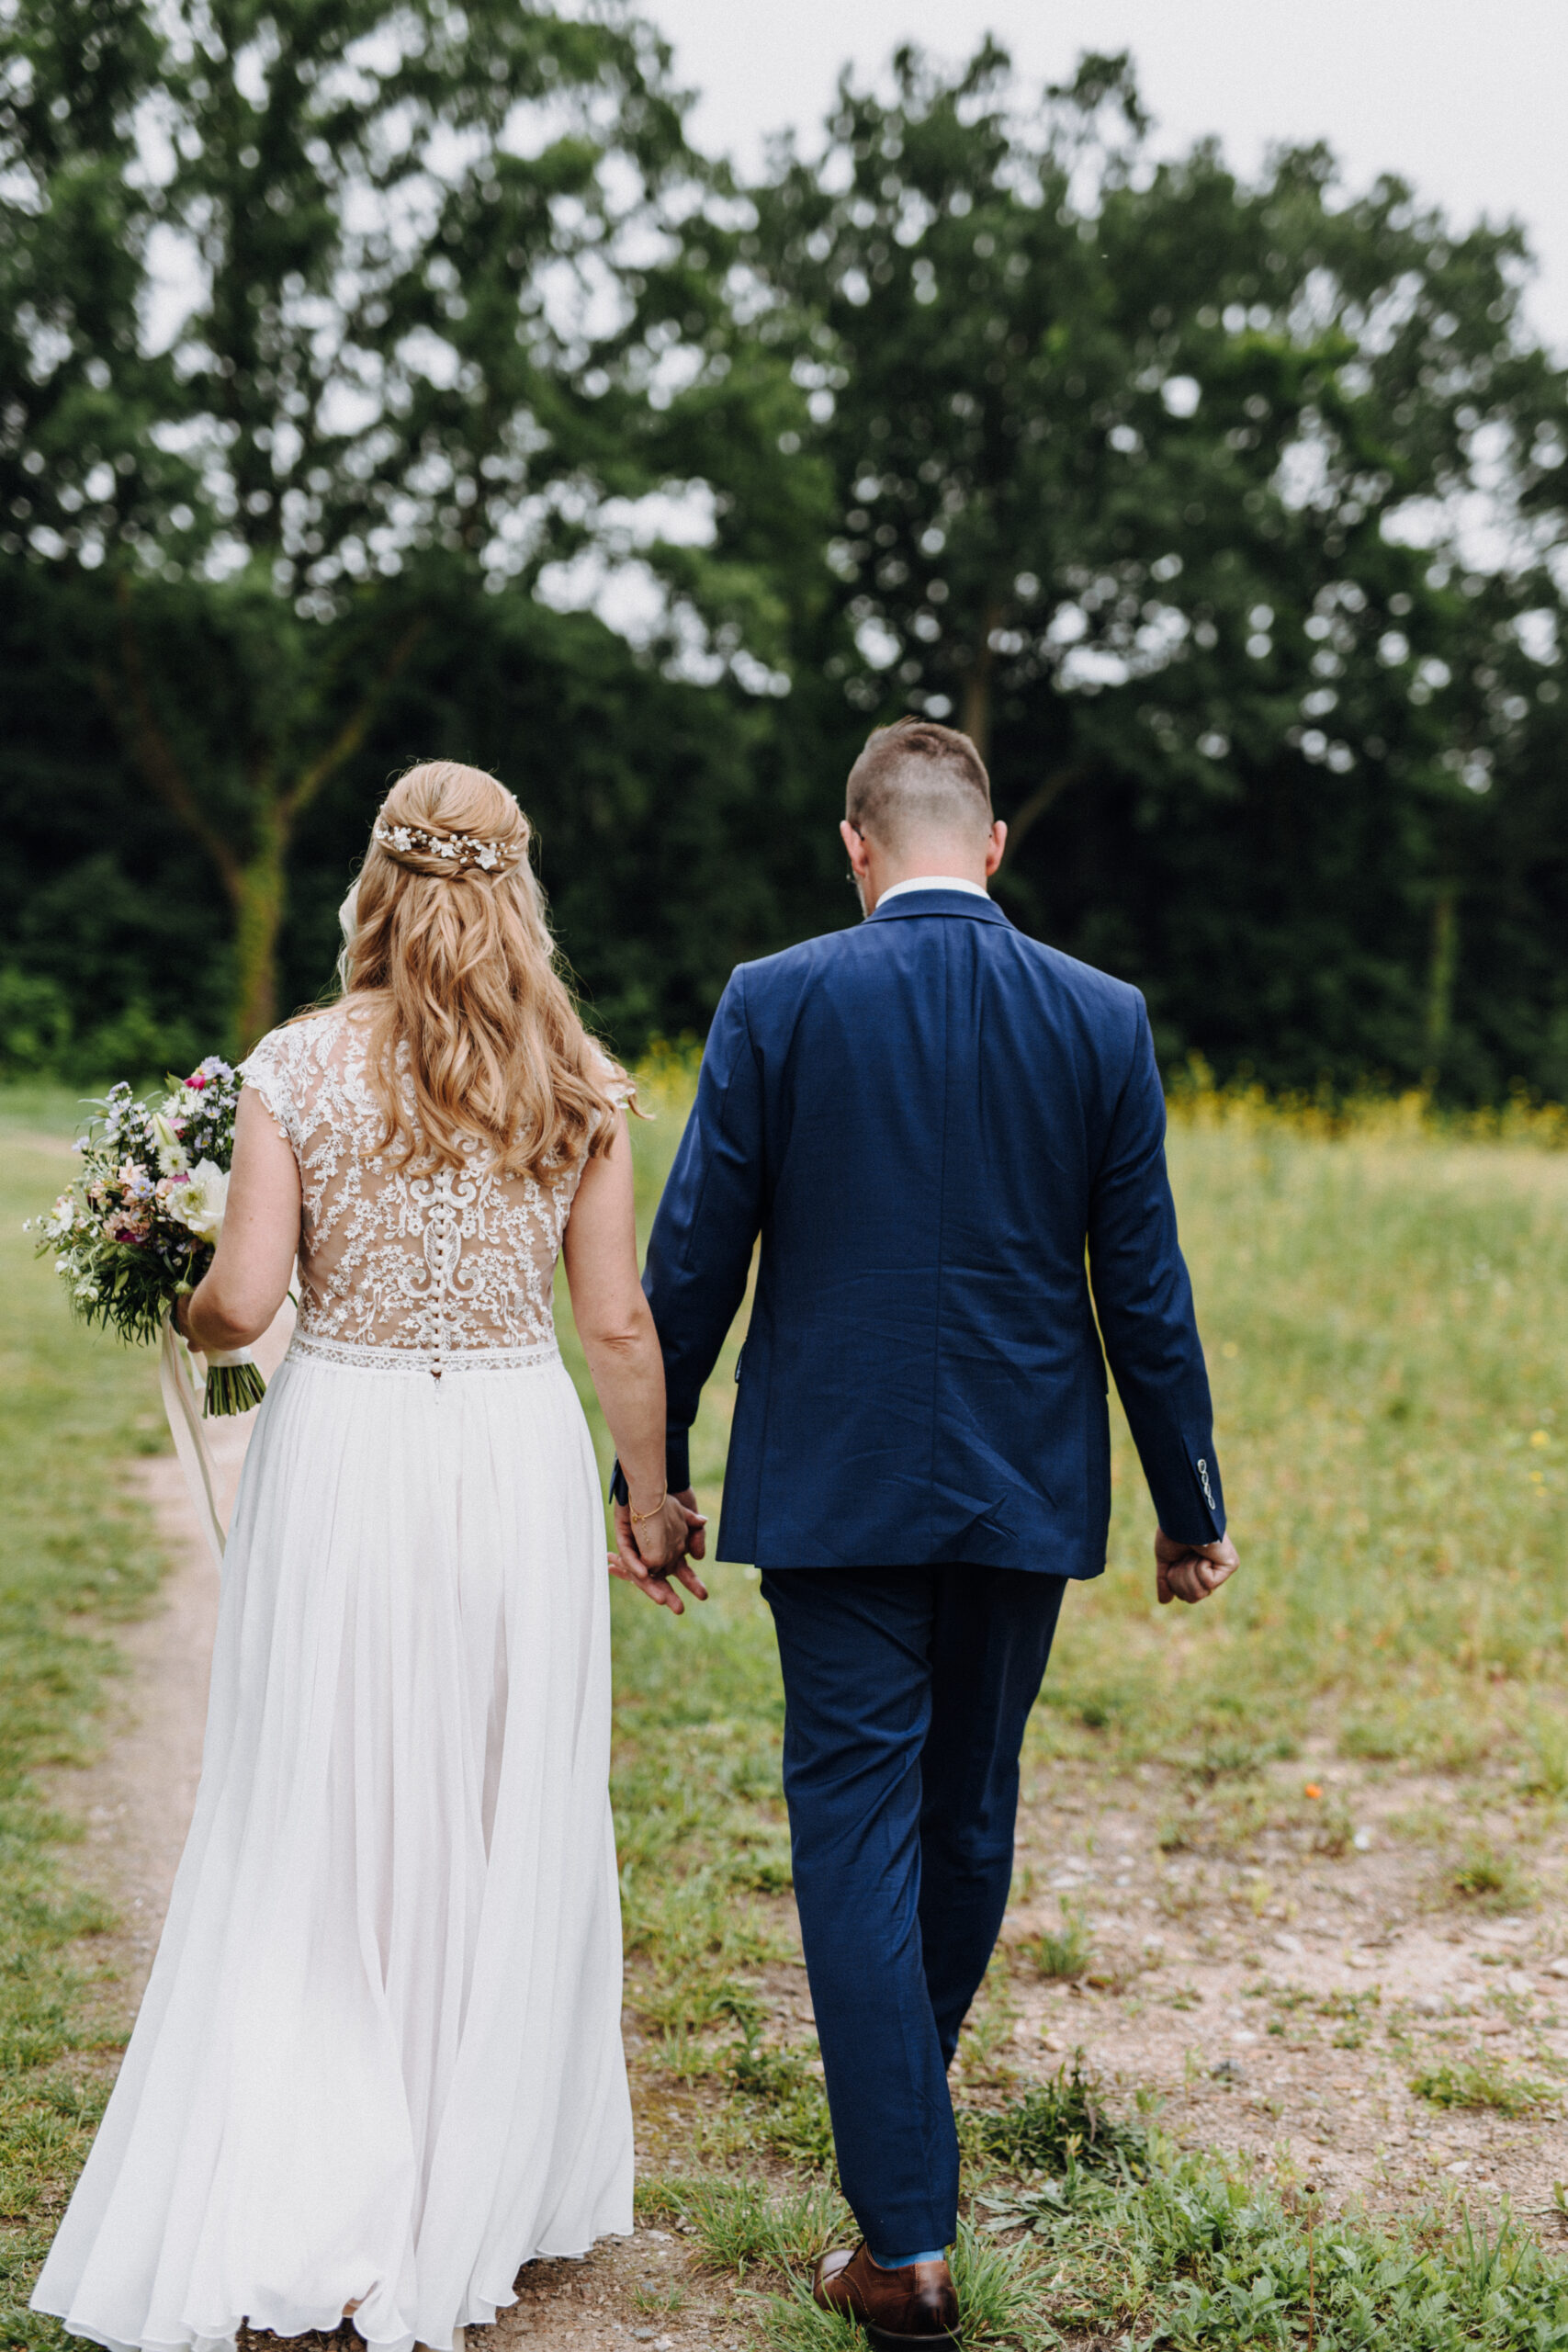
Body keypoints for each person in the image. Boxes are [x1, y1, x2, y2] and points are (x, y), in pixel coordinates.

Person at [32, 761, 704, 2352]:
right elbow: (613, 1320)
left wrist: (182, 1291)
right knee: (497, 1783)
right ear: (516, 887)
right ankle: (469, 2159)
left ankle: (322, 2151)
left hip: (347, 1447)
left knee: (321, 1785)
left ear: (375, 887)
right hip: (509, 1449)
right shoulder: (580, 1082)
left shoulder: (296, 1063)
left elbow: (247, 1305)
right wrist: (653, 1496)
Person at [616, 718, 1239, 2350]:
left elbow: (693, 1266)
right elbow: (1146, 1291)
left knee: (852, 1835)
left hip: (834, 1491)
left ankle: (906, 2240)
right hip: (1023, 1491)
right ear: (998, 843)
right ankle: (905, 2180)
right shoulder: (1101, 1016)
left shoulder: (779, 997)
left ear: (856, 846)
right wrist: (1192, 1507)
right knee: (964, 1814)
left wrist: (649, 1478)